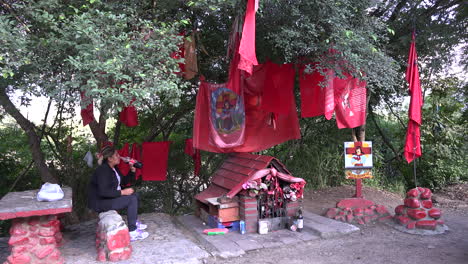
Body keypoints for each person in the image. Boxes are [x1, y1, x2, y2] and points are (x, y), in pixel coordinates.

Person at [88, 145, 149, 241]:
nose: (119, 156)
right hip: (100, 202)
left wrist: (132, 170)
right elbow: (103, 192)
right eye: (116, 155)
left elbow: (124, 181)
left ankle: (134, 223)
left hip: (109, 198)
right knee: (131, 199)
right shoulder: (103, 170)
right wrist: (122, 192)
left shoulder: (113, 168)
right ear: (109, 158)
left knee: (135, 195)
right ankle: (132, 232)